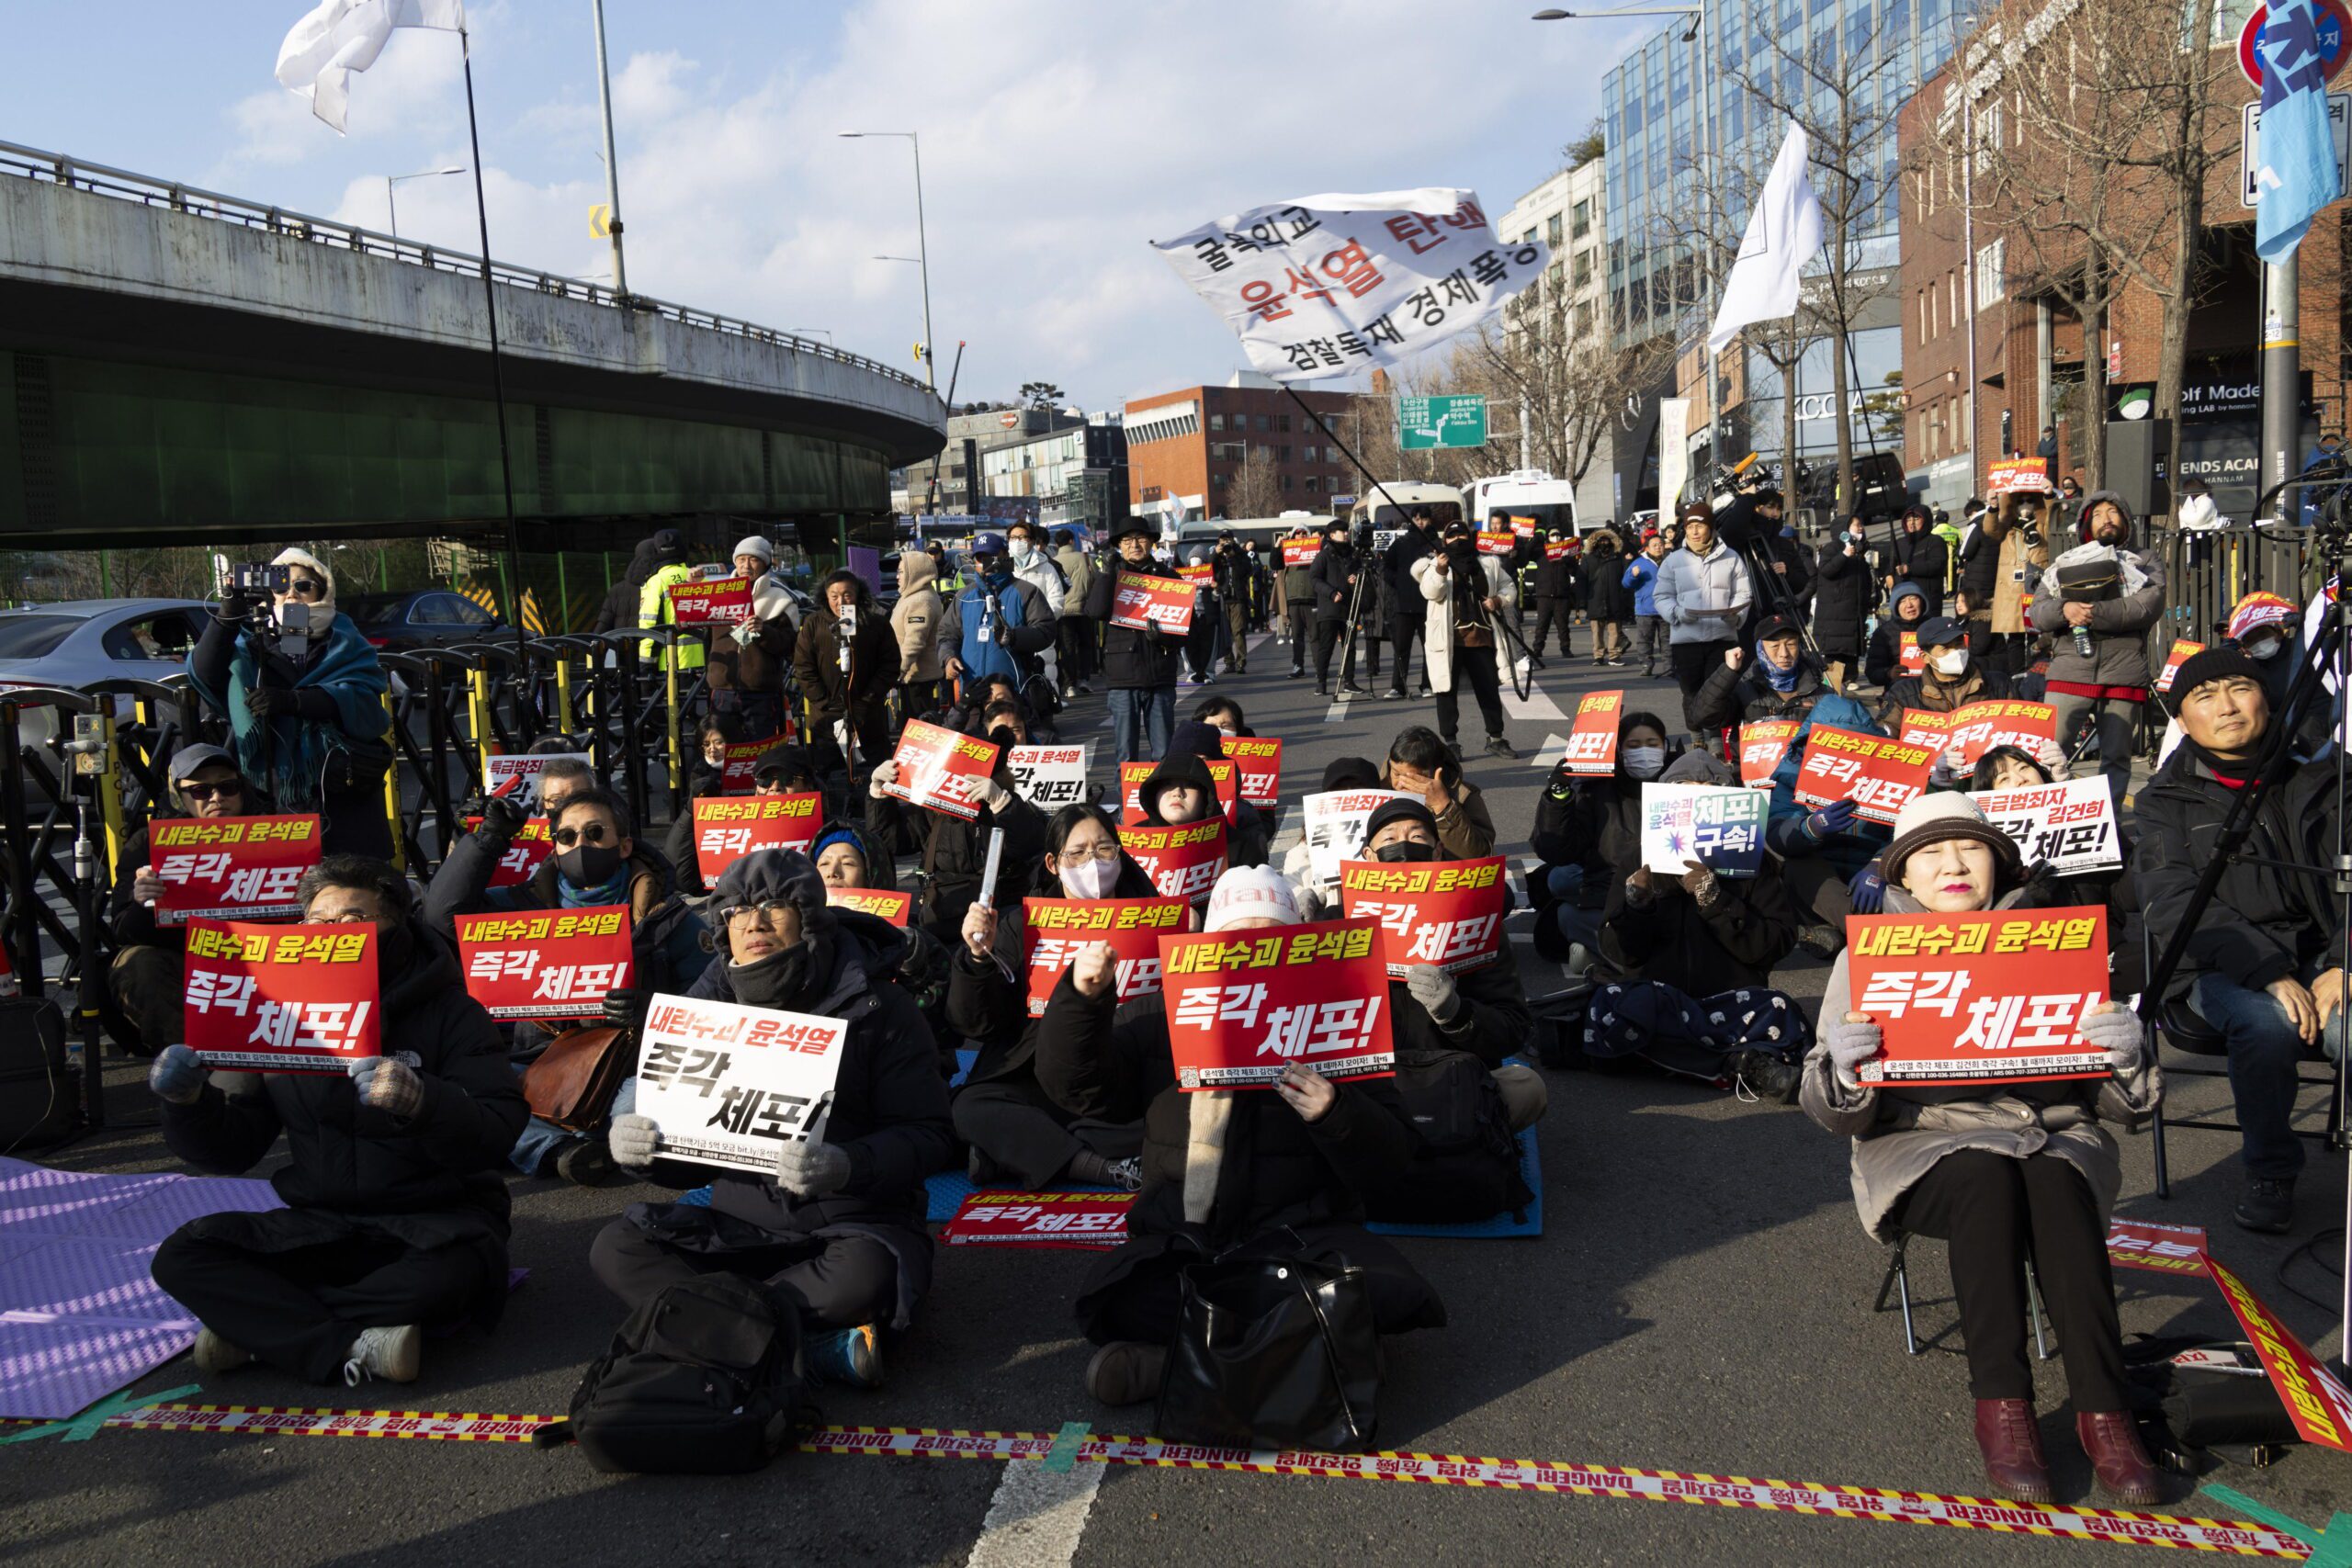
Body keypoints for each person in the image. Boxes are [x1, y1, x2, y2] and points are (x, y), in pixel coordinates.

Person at [1804, 792, 2162, 1506]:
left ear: (1998, 863)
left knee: (2052, 1178)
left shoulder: (2056, 938)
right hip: (1922, 1143)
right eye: (1931, 853)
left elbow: (2121, 1104)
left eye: (1969, 848)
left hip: (2052, 1128)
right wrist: (1842, 1066)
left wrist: (2125, 1054)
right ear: (1905, 875)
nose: (1954, 864)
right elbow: (1831, 1112)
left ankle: (2105, 1410)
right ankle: (2003, 1407)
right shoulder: (1867, 954)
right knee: (1985, 1172)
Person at [1035, 866, 1445, 1405]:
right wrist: (1081, 1002)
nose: (1254, 958)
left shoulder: (1339, 1019)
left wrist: (1336, 1110)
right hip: (1188, 1242)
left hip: (1302, 1242)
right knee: (1116, 1295)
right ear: (1207, 948)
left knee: (1375, 1292)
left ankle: (1177, 1368)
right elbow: (1077, 1088)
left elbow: (1393, 1162)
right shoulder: (1161, 1016)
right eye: (1236, 943)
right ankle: (1299, 1363)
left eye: (1270, 940)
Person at [147, 856, 527, 1387]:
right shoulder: (274, 1013)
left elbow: (496, 1132)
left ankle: (261, 1328)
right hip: (324, 1224)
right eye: (318, 925)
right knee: (184, 1254)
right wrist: (188, 1101)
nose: (332, 937)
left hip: (436, 1223)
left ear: (397, 928)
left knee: (452, 1276)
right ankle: (350, 1342)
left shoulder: (453, 1012)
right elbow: (231, 1150)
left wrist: (423, 1102)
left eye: (353, 923)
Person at [595, 850, 956, 1388]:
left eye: (774, 905)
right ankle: (808, 1348)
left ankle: (699, 1332)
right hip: (740, 1231)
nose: (754, 922)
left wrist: (846, 1165)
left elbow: (931, 1136)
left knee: (867, 1277)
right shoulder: (703, 1010)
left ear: (810, 915)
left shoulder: (880, 1006)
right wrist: (646, 1152)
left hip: (845, 1229)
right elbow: (692, 1162)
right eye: (736, 911)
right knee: (617, 1247)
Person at [2135, 648, 2348, 1235]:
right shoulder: (2162, 801)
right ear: (2182, 719)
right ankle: (2272, 1169)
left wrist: (2343, 960)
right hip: (2222, 966)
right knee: (2267, 1023)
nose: (2226, 707)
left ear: (2266, 697)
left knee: (2347, 1029)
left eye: (2239, 689)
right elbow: (2172, 903)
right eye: (2205, 697)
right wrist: (2267, 971)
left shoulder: (2327, 778)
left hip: (2327, 958)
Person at [430, 785, 707, 1184]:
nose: (581, 844)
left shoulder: (668, 918)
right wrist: (490, 838)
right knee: (465, 1091)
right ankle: (562, 1151)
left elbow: (714, 1000)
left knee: (644, 1114)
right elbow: (442, 917)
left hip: (634, 1067)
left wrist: (652, 1009)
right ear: (555, 847)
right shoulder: (522, 906)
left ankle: (579, 1136)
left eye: (595, 833)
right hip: (542, 1063)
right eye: (567, 836)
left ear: (624, 845)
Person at [945, 804, 1152, 1190]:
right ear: (1054, 864)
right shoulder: (1021, 925)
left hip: (1119, 1069)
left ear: (1120, 855)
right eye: (1078, 852)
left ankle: (1013, 1153)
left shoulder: (1155, 917)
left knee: (1171, 1110)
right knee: (972, 1108)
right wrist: (977, 959)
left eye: (1104, 848)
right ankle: (1098, 1166)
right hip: (1037, 1073)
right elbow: (976, 1024)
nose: (1093, 861)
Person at [1585, 750, 1805, 1093]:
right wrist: (1636, 905)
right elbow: (1619, 953)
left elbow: (1773, 945)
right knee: (1611, 1003)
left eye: (1710, 792)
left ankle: (1664, 1059)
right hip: (1659, 1000)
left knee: (1779, 1007)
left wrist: (1715, 900)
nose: (1699, 800)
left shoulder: (1754, 861)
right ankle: (1738, 1063)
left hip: (1729, 1002)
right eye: (1688, 791)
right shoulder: (1640, 859)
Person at [187, 547, 394, 860]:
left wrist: (296, 701)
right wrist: (229, 613)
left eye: (303, 586)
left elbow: (363, 702)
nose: (291, 596)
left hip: (341, 791)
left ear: (323, 592)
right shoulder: (252, 642)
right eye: (281, 587)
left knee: (352, 886)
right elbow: (205, 674)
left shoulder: (346, 642)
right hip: (273, 787)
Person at [1356, 797, 1546, 1134]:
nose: (1403, 846)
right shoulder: (1341, 926)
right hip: (1373, 1087)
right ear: (1368, 857)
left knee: (1526, 1087)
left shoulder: (1475, 920)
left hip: (1452, 1080)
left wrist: (1457, 1014)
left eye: (1417, 837)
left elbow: (1514, 1027)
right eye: (1388, 839)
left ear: (1438, 851)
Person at [108, 744, 259, 1057]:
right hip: (186, 956)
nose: (217, 798)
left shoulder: (280, 830)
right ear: (179, 797)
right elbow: (124, 931)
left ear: (242, 789)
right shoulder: (149, 842)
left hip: (266, 953)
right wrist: (141, 902)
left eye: (227, 787)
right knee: (138, 962)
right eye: (201, 790)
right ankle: (190, 1068)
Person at [2030, 491, 2165, 812]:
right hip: (2068, 672)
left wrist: (2089, 613)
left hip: (2123, 673)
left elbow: (2148, 605)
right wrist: (2065, 610)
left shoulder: (2145, 560)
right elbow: (2038, 613)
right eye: (2098, 514)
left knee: (2117, 757)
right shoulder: (2065, 562)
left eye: (2113, 512)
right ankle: (2040, 816)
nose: (2107, 519)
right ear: (2086, 524)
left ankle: (2109, 823)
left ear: (2126, 519)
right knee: (2048, 752)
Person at [865, 734, 1048, 946]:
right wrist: (878, 794)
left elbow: (1032, 846)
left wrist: (1002, 804)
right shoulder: (931, 809)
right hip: (940, 919)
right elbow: (890, 841)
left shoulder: (1005, 805)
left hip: (999, 921)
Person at [1530, 710, 1669, 966]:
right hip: (1615, 894)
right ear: (1619, 750)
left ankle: (1609, 958)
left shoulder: (1683, 784)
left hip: (1671, 895)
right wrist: (1559, 798)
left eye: (1652, 744)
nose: (1644, 752)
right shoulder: (1598, 791)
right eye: (1633, 745)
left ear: (1665, 747)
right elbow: (1556, 850)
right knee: (1567, 913)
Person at [1763, 692, 1894, 957]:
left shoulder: (1891, 777)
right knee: (1798, 866)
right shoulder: (1792, 777)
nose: (1844, 755)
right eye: (1835, 746)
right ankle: (1871, 935)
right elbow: (1776, 833)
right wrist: (1811, 827)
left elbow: (1911, 829)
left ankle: (1840, 933)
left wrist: (1880, 864)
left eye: (1855, 746)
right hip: (1821, 878)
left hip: (1873, 874)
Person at [1412, 521, 1518, 760]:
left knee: (1489, 691)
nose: (1457, 539)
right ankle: (1450, 742)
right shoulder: (1435, 564)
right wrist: (1440, 570)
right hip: (1449, 641)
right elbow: (1430, 593)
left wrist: (1498, 601)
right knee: (1446, 692)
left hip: (1482, 638)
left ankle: (1496, 739)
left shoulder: (1488, 564)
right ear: (1444, 541)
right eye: (1452, 536)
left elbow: (1509, 586)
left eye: (1461, 534)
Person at [1653, 505, 1753, 746]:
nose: (1695, 532)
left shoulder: (1731, 557)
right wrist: (1676, 613)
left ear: (1711, 528)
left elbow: (1743, 594)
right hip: (1685, 640)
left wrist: (1736, 616)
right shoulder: (1674, 560)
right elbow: (1661, 596)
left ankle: (1716, 743)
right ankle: (1697, 739)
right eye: (1690, 527)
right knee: (1691, 693)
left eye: (1700, 526)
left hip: (1722, 638)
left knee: (1718, 693)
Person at [1086, 519, 1183, 765]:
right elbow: (1095, 611)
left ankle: (1160, 802)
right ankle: (1125, 804)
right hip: (1122, 676)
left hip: (1159, 675)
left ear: (1152, 542)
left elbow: (1186, 631)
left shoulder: (1170, 578)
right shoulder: (1112, 576)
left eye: (1140, 538)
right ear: (1119, 545)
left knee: (1164, 754)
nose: (1134, 544)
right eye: (1127, 540)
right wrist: (1108, 573)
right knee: (1125, 755)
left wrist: (1163, 637)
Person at [794, 569, 899, 785]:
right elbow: (803, 668)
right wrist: (825, 704)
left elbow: (889, 665)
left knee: (874, 770)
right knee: (829, 771)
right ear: (826, 597)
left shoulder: (876, 623)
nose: (841, 601)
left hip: (868, 716)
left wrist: (866, 701)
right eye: (834, 596)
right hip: (825, 717)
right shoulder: (814, 623)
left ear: (858, 594)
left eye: (847, 595)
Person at [941, 534, 1057, 708]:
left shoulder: (1026, 592)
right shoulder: (964, 596)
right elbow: (947, 634)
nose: (985, 562)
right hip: (972, 694)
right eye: (980, 557)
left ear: (1004, 555)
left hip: (1012, 694)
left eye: (990, 556)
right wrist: (948, 658)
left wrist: (1015, 637)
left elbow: (1046, 631)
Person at [704, 536, 798, 742]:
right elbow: (683, 625)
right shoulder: (717, 594)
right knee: (722, 751)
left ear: (765, 563)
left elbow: (789, 645)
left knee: (759, 750)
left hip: (760, 693)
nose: (746, 565)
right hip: (722, 690)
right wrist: (691, 590)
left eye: (753, 559)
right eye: (741, 559)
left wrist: (763, 631)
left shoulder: (781, 598)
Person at [1689, 614, 1829, 737]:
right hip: (1751, 766)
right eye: (1775, 646)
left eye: (1791, 644)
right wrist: (1727, 672)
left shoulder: (1822, 693)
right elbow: (1703, 717)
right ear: (1760, 649)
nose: (1784, 653)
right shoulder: (1744, 689)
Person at [1380, 727, 1497, 861]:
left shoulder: (1464, 796)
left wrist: (1444, 808)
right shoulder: (1377, 788)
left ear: (1435, 772)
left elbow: (1479, 855)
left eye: (1412, 779)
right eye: (1396, 774)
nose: (1400, 784)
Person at [1876, 615, 2011, 730]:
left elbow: (2019, 726)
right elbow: (1884, 738)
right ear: (1925, 657)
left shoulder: (1998, 685)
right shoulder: (1904, 693)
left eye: (1959, 644)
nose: (1957, 652)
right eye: (1946, 648)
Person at [1382, 506, 1440, 700]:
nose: (1420, 522)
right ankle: (1398, 686)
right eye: (1416, 518)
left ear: (1430, 520)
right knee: (1401, 647)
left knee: (1429, 647)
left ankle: (1428, 684)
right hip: (1404, 603)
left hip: (1430, 603)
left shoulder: (1437, 543)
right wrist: (1397, 581)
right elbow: (1386, 567)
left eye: (1423, 518)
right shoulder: (1401, 543)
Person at [1812, 515, 1877, 682]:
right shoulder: (1832, 548)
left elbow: (1864, 581)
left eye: (1861, 524)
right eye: (1857, 525)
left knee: (1850, 650)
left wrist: (1870, 600)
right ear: (1845, 528)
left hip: (1853, 614)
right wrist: (1844, 555)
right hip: (1835, 615)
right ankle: (1833, 684)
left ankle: (1850, 680)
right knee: (1836, 653)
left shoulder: (1860, 551)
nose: (1861, 527)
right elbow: (1825, 570)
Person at [634, 530, 704, 682]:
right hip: (704, 663)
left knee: (672, 705)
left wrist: (646, 665)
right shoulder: (700, 579)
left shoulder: (657, 581)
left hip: (669, 664)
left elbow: (650, 625)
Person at [1308, 518, 1365, 697]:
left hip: (1349, 607)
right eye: (1342, 531)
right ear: (1332, 535)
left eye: (1346, 530)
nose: (1346, 533)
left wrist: (1355, 578)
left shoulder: (1353, 554)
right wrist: (1332, 593)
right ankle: (1321, 682)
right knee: (1327, 646)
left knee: (1350, 646)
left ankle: (1349, 681)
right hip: (1329, 609)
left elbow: (1361, 573)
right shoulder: (1323, 555)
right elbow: (1315, 579)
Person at [891, 547, 947, 719]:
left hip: (918, 680)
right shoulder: (912, 596)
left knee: (918, 730)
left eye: (901, 572)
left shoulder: (921, 600)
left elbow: (914, 643)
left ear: (914, 573)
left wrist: (896, 672)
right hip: (913, 678)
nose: (897, 576)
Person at [593, 532, 671, 634]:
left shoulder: (616, 589)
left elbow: (602, 626)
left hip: (623, 647)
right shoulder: (662, 584)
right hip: (654, 647)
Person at [1883, 504, 1951, 617]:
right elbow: (1890, 564)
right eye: (1908, 519)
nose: (1911, 523)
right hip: (1903, 602)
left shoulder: (1935, 541)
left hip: (1927, 602)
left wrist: (1909, 569)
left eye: (1916, 519)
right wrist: (1888, 575)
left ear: (1926, 520)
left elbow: (1937, 565)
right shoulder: (1899, 543)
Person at [1052, 530, 1097, 698]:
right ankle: (1084, 679)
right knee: (1085, 645)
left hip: (1063, 612)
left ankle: (1069, 685)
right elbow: (1092, 580)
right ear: (1072, 541)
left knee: (1067, 648)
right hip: (1083, 609)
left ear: (1057, 544)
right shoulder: (1084, 558)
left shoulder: (1053, 562)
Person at [1864, 581, 1932, 691]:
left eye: (1913, 598)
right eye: (1902, 601)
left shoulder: (1935, 627)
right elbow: (1872, 672)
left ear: (1922, 601)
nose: (1909, 605)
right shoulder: (1884, 633)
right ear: (1895, 606)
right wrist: (1889, 673)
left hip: (1933, 689)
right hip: (1900, 691)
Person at [1583, 528, 1634, 667]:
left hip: (1614, 598)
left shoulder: (1619, 557)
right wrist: (1582, 600)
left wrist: (1628, 562)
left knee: (1614, 630)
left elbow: (1626, 576)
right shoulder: (1588, 558)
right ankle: (1598, 656)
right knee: (1596, 632)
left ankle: (1614, 655)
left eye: (1606, 540)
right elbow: (1582, 579)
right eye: (1601, 541)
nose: (1604, 543)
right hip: (1595, 599)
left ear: (1612, 542)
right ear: (1595, 543)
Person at [1623, 531, 1668, 677]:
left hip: (1667, 609)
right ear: (1647, 548)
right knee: (1644, 641)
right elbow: (1626, 583)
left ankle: (1669, 668)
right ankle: (1646, 665)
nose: (1658, 548)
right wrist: (1632, 575)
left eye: (1660, 545)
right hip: (1645, 610)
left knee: (1668, 642)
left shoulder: (1670, 561)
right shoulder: (1639, 563)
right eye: (1654, 545)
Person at [1531, 532, 1579, 660]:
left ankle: (1565, 648)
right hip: (1544, 595)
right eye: (1553, 535)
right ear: (1548, 537)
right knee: (1541, 625)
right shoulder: (1541, 553)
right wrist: (1535, 540)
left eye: (1558, 535)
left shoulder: (1566, 553)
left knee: (1563, 625)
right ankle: (1537, 649)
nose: (1556, 538)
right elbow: (1526, 555)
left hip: (1561, 595)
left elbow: (1575, 572)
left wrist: (1568, 561)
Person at [1276, 528, 1317, 678]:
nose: (1301, 536)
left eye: (1304, 533)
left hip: (1312, 599)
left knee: (1315, 635)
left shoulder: (1315, 550)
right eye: (1298, 534)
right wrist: (1278, 546)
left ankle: (1320, 665)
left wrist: (1317, 542)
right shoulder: (1288, 552)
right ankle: (1298, 665)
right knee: (1297, 636)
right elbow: (1275, 563)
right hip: (1293, 600)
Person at [1214, 531, 1253, 675]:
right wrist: (1215, 555)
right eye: (1222, 540)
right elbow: (1210, 571)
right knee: (1226, 633)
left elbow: (1248, 570)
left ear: (1232, 540)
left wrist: (1233, 556)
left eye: (1227, 539)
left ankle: (1240, 662)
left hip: (1237, 598)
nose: (1225, 543)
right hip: (1223, 597)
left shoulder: (1240, 553)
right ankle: (1229, 662)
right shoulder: (1217, 554)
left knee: (1238, 630)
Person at [1181, 547, 1222, 685]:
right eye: (1192, 562)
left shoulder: (1211, 577)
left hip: (1207, 616)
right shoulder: (1183, 576)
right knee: (1189, 646)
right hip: (1189, 617)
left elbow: (1216, 600)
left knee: (1209, 646)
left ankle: (1208, 672)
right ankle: (1193, 672)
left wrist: (1215, 589)